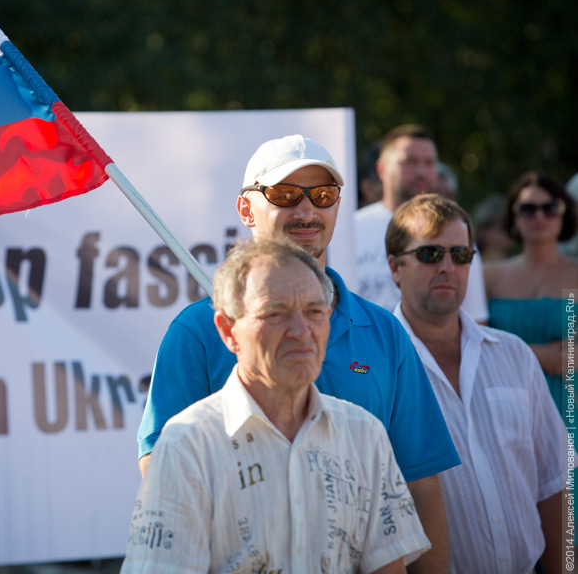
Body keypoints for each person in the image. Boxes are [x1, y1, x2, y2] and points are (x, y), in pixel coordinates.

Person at [138, 134, 459, 573]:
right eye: (285, 195)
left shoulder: (385, 333)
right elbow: (164, 476)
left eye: (323, 195)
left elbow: (420, 481)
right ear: (247, 209)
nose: (307, 211)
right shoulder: (195, 332)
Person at [122, 239, 430, 573]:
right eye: (275, 313)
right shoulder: (187, 446)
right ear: (228, 331)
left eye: (314, 311)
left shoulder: (365, 435)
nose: (301, 331)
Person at [387, 194, 566, 574]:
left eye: (462, 254)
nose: (448, 267)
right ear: (395, 267)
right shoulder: (379, 368)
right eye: (431, 255)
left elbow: (554, 483)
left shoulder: (514, 355)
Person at [354, 125, 488, 322]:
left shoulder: (456, 230)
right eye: (410, 162)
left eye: (429, 163)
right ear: (382, 168)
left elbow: (475, 318)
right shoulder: (349, 229)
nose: (420, 172)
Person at [484, 171, 578, 421]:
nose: (539, 216)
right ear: (513, 216)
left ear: (564, 214)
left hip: (568, 402)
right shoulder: (489, 277)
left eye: (550, 208)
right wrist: (539, 355)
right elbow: (473, 344)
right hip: (505, 403)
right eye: (528, 209)